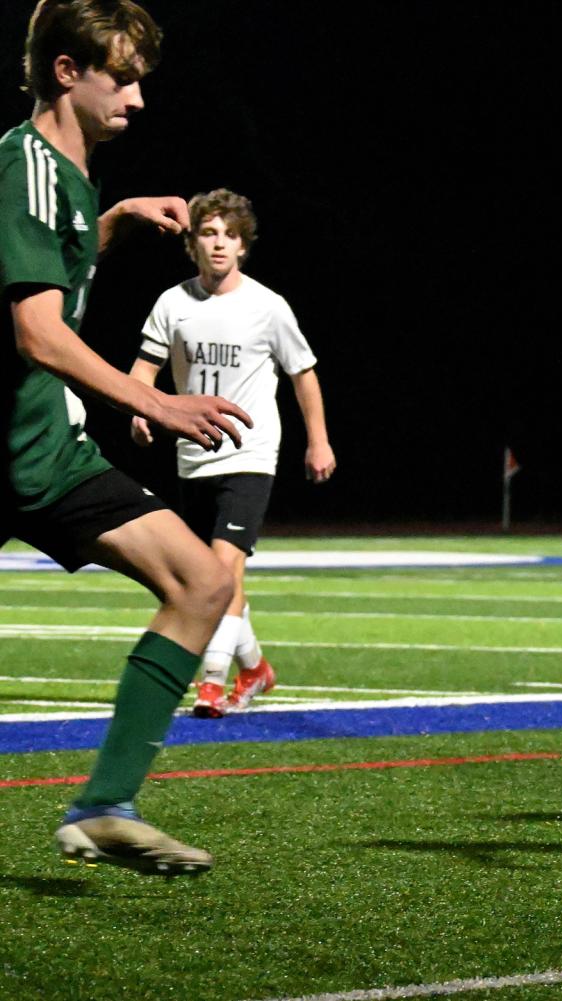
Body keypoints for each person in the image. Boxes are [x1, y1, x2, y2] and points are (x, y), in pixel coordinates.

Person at [2, 0, 253, 877]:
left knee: (201, 579)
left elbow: (48, 283)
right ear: (68, 73)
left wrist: (108, 226)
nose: (140, 99)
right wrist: (164, 405)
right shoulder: (26, 164)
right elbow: (37, 333)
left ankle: (105, 805)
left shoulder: (71, 179)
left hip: (45, 452)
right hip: (14, 440)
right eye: (124, 76)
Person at [127, 188, 334, 716]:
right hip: (194, 457)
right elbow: (144, 370)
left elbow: (303, 375)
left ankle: (211, 683)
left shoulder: (268, 307)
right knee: (209, 580)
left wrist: (318, 440)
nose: (219, 244)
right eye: (208, 233)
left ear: (243, 246)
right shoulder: (172, 303)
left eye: (230, 235)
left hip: (250, 454)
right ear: (192, 244)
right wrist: (139, 408)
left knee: (223, 571)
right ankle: (256, 669)